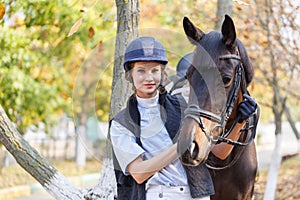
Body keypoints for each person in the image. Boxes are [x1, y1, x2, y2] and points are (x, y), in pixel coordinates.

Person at [109, 36, 257, 200]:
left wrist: (240, 121)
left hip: (197, 196)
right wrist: (182, 145)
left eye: (155, 70)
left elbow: (219, 153)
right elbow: (139, 173)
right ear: (129, 75)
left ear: (163, 73)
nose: (149, 78)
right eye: (141, 71)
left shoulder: (184, 107)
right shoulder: (121, 124)